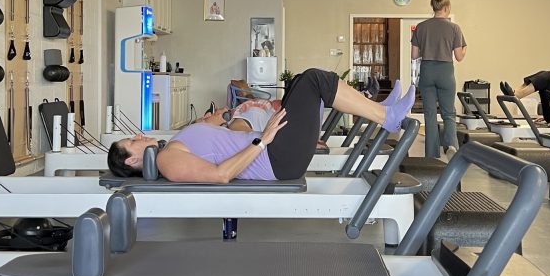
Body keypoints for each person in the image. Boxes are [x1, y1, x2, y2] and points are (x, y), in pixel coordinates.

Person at [107, 68, 415, 181]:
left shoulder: (169, 149)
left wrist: (214, 122)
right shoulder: (166, 161)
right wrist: (262, 140)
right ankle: (386, 117)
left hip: (274, 149)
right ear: (132, 160)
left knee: (299, 82)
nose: (138, 136)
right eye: (132, 142)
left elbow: (214, 143)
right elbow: (220, 175)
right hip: (276, 159)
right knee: (313, 81)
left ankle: (380, 110)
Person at [411, 0, 467, 159]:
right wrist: (465, 48)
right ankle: (451, 148)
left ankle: (431, 155)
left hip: (427, 70)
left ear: (434, 7)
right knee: (448, 113)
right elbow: (459, 57)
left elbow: (414, 55)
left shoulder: (421, 27)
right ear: (447, 7)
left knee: (429, 114)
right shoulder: (454, 28)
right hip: (445, 72)